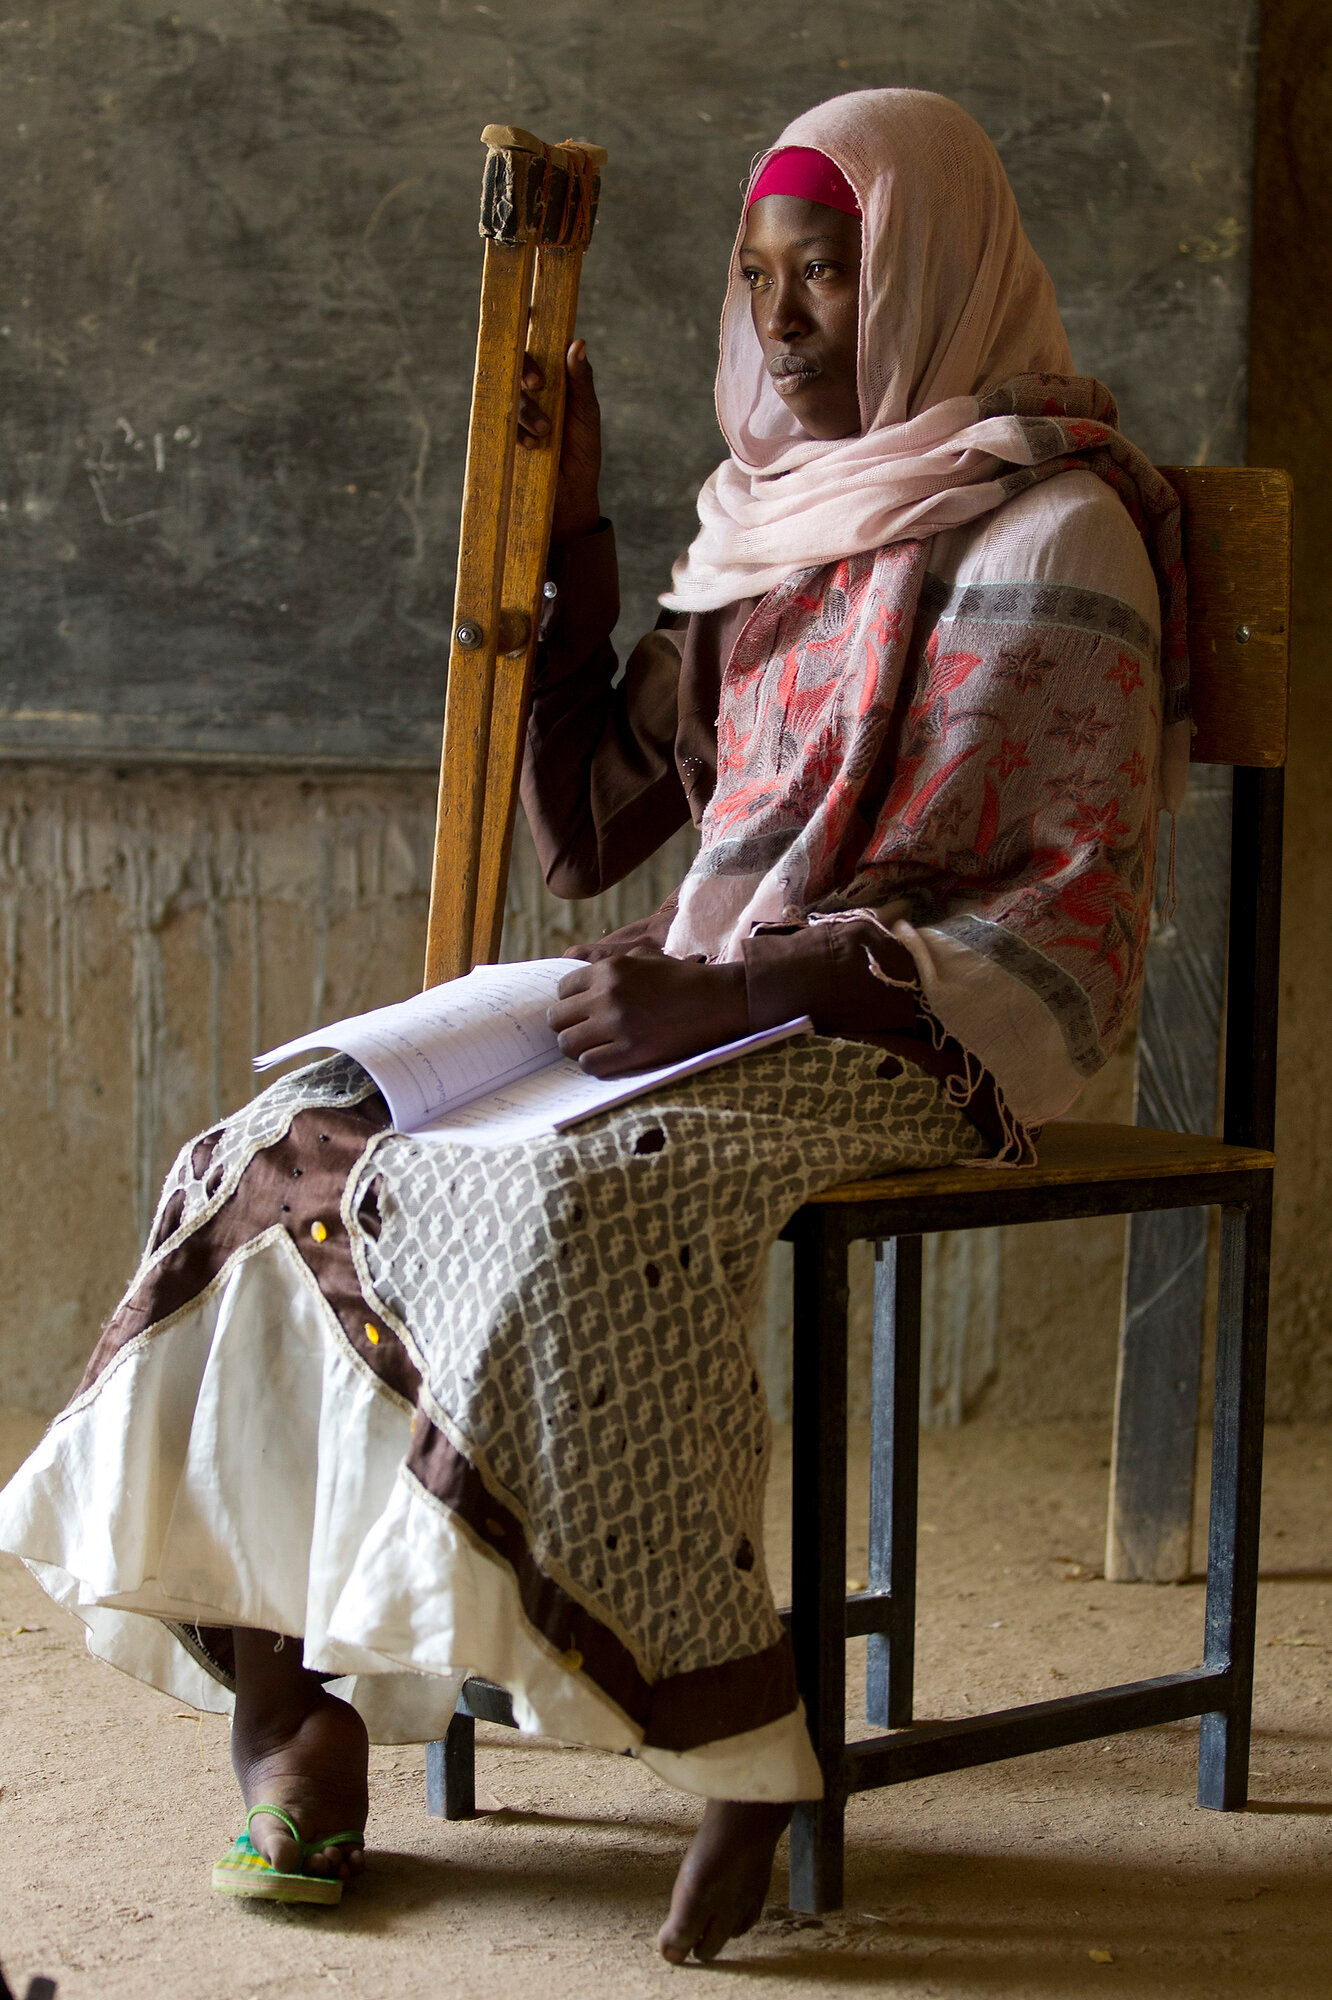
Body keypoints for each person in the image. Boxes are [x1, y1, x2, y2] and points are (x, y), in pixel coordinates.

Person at [0, 89, 1185, 1962]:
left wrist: (736, 986)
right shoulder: (767, 527)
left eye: (830, 275)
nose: (780, 321)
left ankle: (736, 1737)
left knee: (582, 1194)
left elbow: (1064, 915)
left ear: (933, 279)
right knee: (278, 1143)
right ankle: (288, 1706)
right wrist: (581, 550)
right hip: (698, 992)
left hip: (916, 1027)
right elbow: (591, 834)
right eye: (755, 275)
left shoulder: (1059, 528)